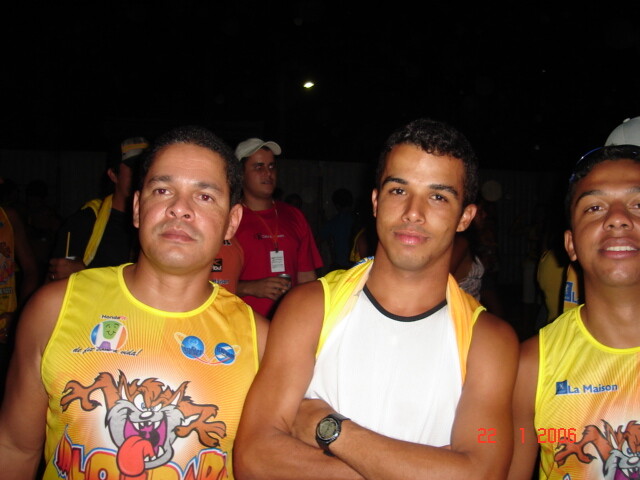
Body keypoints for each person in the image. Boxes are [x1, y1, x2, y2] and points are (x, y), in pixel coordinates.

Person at [235, 118, 519, 479]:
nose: (413, 212)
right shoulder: (310, 308)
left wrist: (332, 430)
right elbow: (253, 459)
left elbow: (483, 473)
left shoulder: (489, 341)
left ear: (465, 217)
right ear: (375, 201)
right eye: (398, 190)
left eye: (438, 196)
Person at [0, 126, 268, 480]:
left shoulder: (261, 341)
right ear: (138, 208)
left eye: (204, 196)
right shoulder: (53, 308)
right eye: (163, 190)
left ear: (232, 222)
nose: (179, 209)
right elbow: (14, 448)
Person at [508, 145, 640, 479]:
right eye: (594, 207)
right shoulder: (531, 366)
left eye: (639, 204)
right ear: (571, 244)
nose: (618, 218)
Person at [234, 137, 323, 318]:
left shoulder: (294, 215)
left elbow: (307, 277)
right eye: (259, 167)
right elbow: (208, 284)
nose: (268, 173)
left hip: (287, 322)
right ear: (240, 174)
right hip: (241, 324)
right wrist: (250, 288)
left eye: (271, 166)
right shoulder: (227, 219)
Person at [48, 137, 149, 281]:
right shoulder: (84, 222)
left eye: (147, 168)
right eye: (135, 168)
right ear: (113, 175)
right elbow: (54, 278)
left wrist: (85, 274)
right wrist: (75, 275)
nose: (142, 175)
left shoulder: (158, 222)